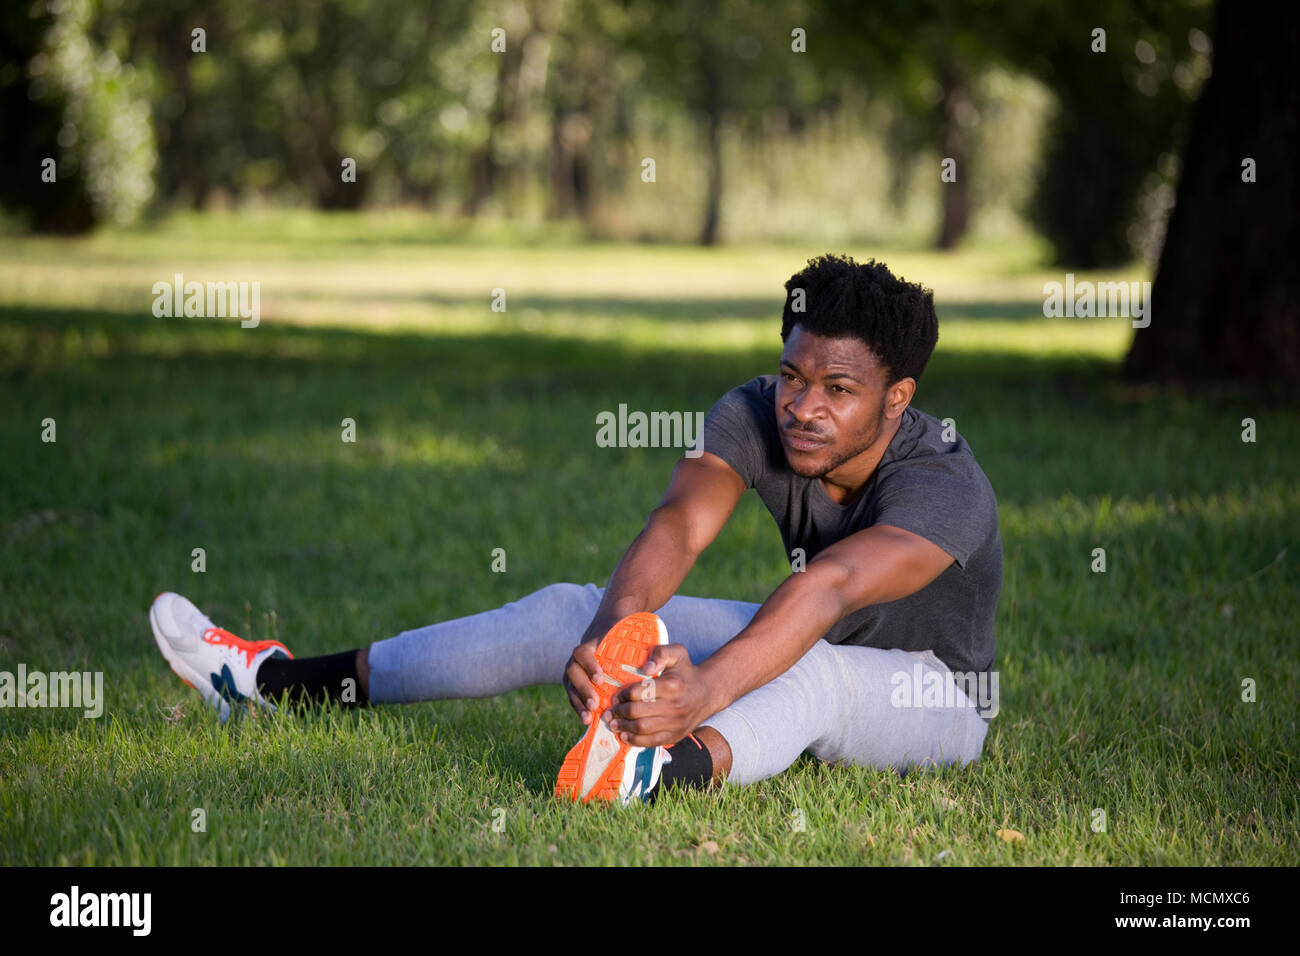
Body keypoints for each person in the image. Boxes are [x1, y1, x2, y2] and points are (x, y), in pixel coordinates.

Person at [149, 253, 1002, 806]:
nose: (802, 407)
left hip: (938, 696)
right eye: (792, 375)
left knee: (811, 671)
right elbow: (679, 519)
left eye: (838, 392)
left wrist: (703, 692)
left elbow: (834, 585)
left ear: (898, 399)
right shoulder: (754, 411)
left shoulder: (946, 481)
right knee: (571, 609)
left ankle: (650, 773)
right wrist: (608, 639)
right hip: (814, 637)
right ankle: (274, 684)